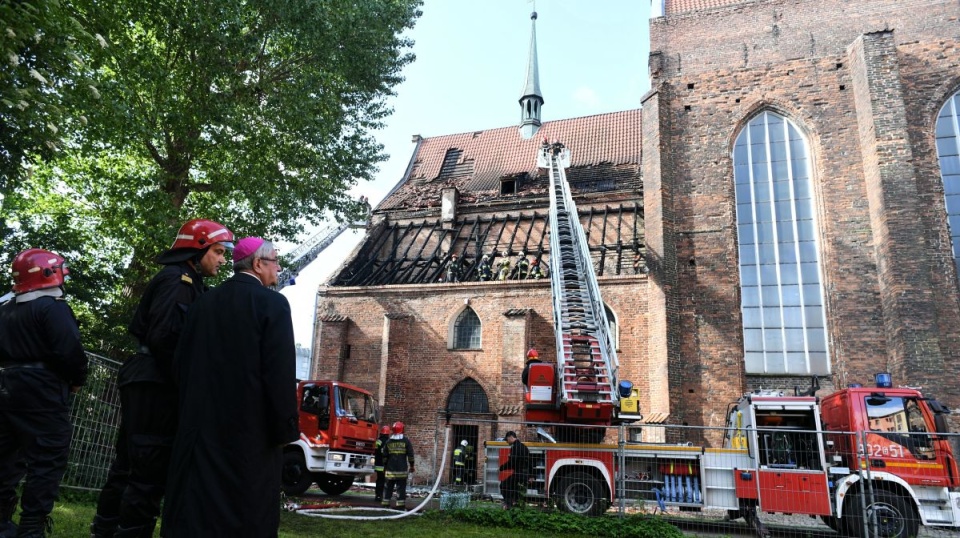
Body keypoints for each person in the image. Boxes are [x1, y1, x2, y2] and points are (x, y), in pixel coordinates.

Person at [92, 219, 234, 538]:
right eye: (218, 251)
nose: (223, 259)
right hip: (156, 384)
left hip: (148, 379)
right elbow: (165, 337)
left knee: (129, 467)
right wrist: (189, 381)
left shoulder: (187, 281)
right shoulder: (178, 281)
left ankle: (104, 531)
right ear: (198, 249)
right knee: (147, 470)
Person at [162, 237, 299, 537]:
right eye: (275, 260)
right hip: (250, 433)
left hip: (201, 429)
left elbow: (180, 365)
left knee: (199, 510)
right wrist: (285, 431)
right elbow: (279, 373)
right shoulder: (273, 303)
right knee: (247, 512)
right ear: (258, 263)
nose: (278, 268)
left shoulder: (202, 302)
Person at [0, 248, 87, 537]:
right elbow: (69, 350)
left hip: (7, 386)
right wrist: (76, 379)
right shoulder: (52, 307)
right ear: (49, 273)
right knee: (46, 459)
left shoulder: (6, 308)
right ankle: (31, 528)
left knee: (7, 455)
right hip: (43, 390)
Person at [381, 421, 415, 511]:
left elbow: (384, 456)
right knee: (400, 489)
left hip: (390, 470)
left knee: (388, 488)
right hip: (401, 470)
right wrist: (412, 466)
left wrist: (385, 466)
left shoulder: (388, 441)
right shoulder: (406, 441)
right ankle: (400, 506)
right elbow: (410, 455)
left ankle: (385, 504)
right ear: (402, 429)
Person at [498, 431, 532, 509]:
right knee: (516, 489)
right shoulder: (524, 447)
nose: (506, 442)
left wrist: (501, 468)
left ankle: (508, 504)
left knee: (504, 485)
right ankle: (516, 503)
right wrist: (532, 475)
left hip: (519, 473)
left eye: (507, 440)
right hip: (525, 474)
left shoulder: (515, 447)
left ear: (511, 437)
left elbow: (512, 462)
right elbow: (530, 462)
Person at [373, 425, 391, 502]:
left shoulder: (378, 441)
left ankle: (378, 496)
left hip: (378, 464)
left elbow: (376, 451)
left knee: (379, 480)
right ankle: (384, 496)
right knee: (385, 481)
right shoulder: (389, 441)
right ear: (388, 433)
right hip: (386, 465)